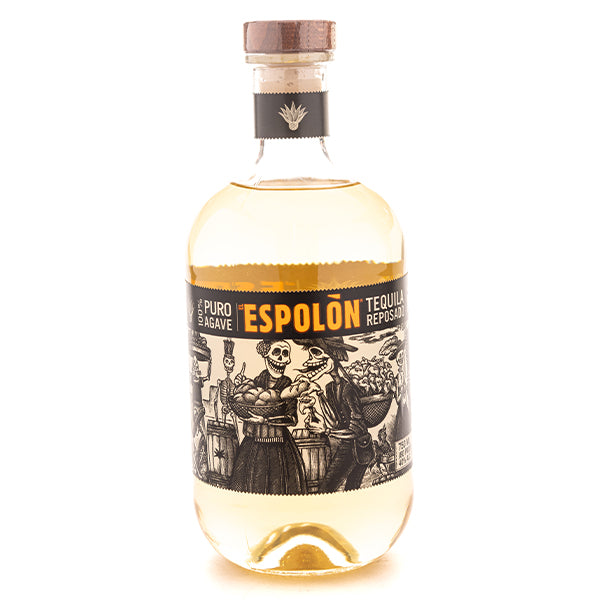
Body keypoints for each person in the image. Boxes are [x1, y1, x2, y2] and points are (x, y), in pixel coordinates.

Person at [294, 337, 375, 492]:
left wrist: (327, 431)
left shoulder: (348, 390)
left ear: (334, 356)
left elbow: (358, 429)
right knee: (349, 490)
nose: (310, 360)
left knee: (328, 489)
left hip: (358, 447)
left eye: (317, 353)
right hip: (345, 445)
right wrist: (319, 395)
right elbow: (334, 421)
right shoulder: (330, 388)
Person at [229, 340, 307, 495]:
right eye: (276, 352)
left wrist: (265, 421)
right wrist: (239, 386)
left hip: (279, 444)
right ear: (265, 354)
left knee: (280, 482)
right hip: (254, 440)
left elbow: (292, 419)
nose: (281, 359)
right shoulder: (258, 380)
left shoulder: (288, 385)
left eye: (285, 354)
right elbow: (248, 400)